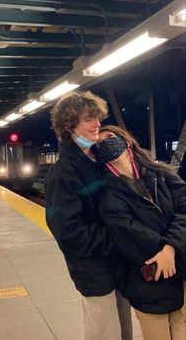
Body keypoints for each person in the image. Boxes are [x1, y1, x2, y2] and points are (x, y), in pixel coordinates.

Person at [45, 91, 133, 340]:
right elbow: (69, 232)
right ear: (67, 126)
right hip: (93, 270)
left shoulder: (98, 162)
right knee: (104, 332)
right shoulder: (62, 174)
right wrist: (118, 239)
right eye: (88, 119)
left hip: (118, 265)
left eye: (97, 118)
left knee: (123, 330)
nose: (97, 125)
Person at [96, 125, 186, 340]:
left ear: (125, 141)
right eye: (99, 144)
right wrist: (166, 250)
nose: (105, 143)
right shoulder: (108, 196)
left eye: (109, 137)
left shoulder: (161, 174)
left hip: (181, 271)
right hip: (148, 283)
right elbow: (132, 236)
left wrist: (171, 248)